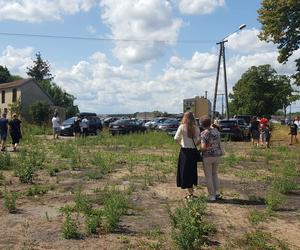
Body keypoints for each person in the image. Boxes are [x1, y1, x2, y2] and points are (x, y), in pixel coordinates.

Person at [174, 111, 200, 200]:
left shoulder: (182, 127)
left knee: (185, 172)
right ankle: (191, 192)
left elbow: (176, 138)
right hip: (193, 152)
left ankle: (191, 194)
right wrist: (194, 145)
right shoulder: (196, 128)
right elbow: (198, 140)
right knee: (192, 171)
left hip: (184, 152)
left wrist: (181, 144)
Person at [200, 117, 223, 201]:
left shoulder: (203, 133)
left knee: (208, 176)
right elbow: (219, 143)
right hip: (217, 155)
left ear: (202, 124)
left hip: (207, 156)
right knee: (215, 174)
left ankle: (211, 196)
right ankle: (217, 193)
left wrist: (199, 150)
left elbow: (203, 147)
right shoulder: (216, 131)